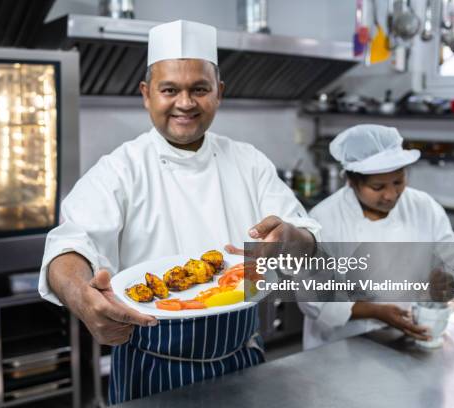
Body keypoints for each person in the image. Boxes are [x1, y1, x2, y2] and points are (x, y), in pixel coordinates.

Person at [39, 20, 320, 403]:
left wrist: (292, 237)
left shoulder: (249, 162)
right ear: (146, 94)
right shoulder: (120, 169)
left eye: (199, 89)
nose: (185, 103)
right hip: (150, 365)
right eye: (169, 89)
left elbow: (304, 234)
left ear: (219, 93)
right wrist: (81, 297)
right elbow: (69, 247)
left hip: (241, 357)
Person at [298, 124, 454, 350]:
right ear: (351, 181)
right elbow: (313, 296)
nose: (391, 195)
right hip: (342, 345)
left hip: (410, 335)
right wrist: (376, 311)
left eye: (398, 182)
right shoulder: (323, 219)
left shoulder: (423, 206)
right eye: (378, 187)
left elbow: (451, 260)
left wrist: (446, 280)